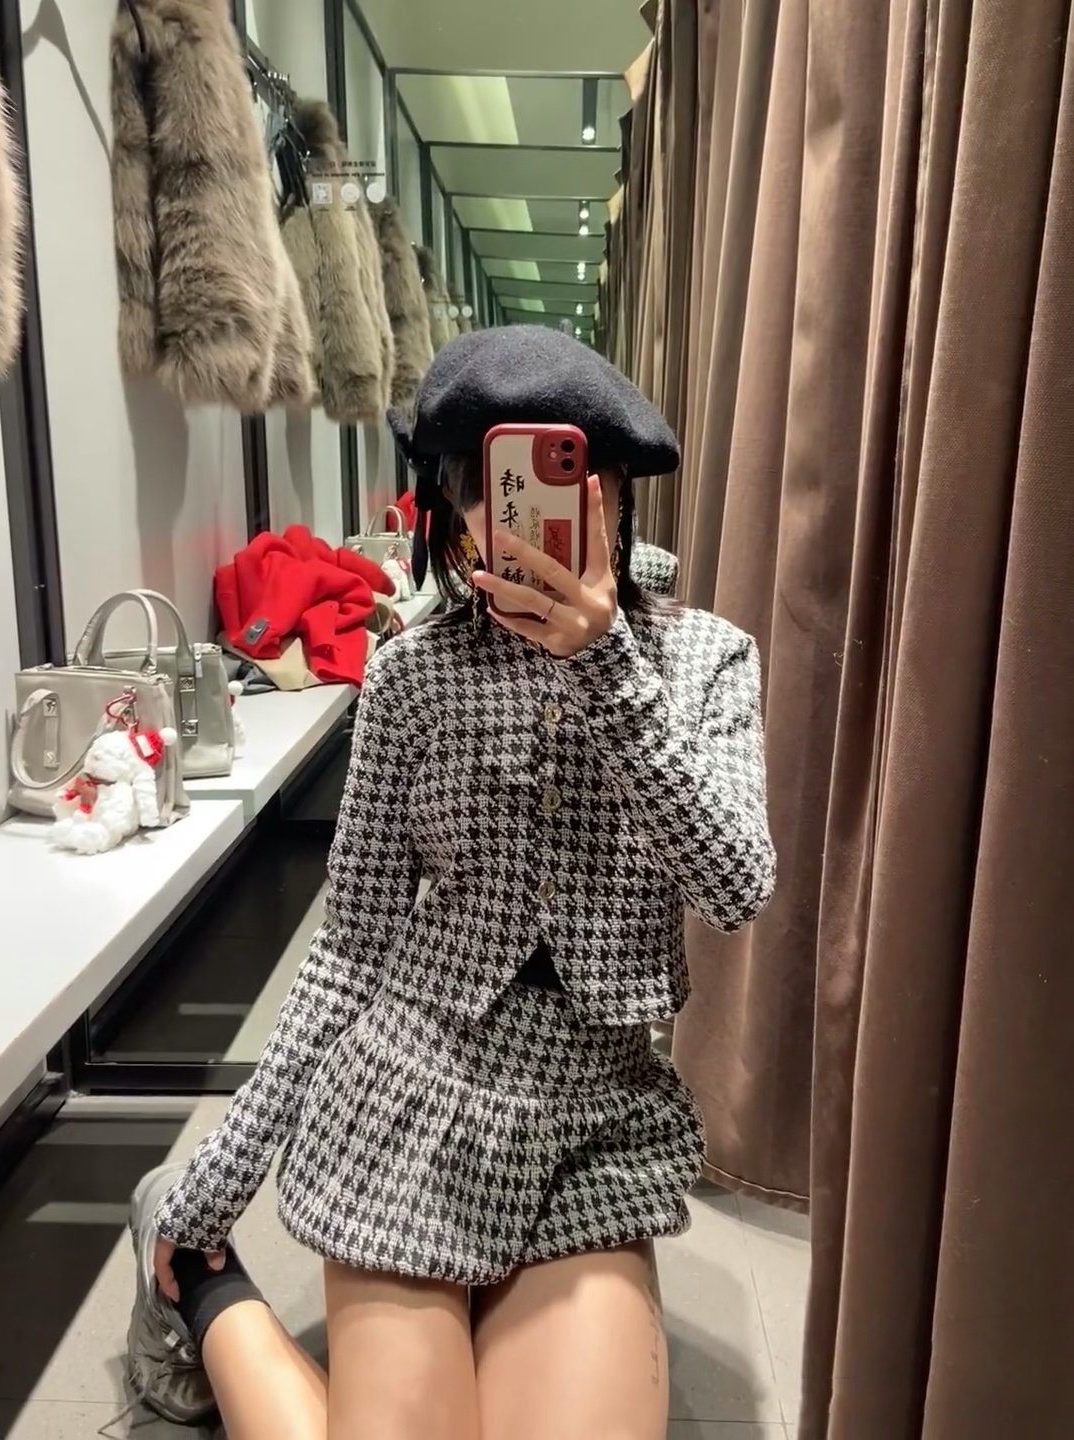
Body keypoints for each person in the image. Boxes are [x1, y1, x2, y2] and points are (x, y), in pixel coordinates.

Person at [124, 326, 776, 1440]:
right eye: (487, 485)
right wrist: (219, 1176)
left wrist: (606, 663)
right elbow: (352, 947)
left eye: (559, 475)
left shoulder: (703, 659)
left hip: (593, 1123)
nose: (515, 513)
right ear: (453, 508)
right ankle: (205, 1285)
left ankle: (225, 1297)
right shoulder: (413, 675)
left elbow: (735, 884)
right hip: (411, 1097)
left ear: (614, 490)